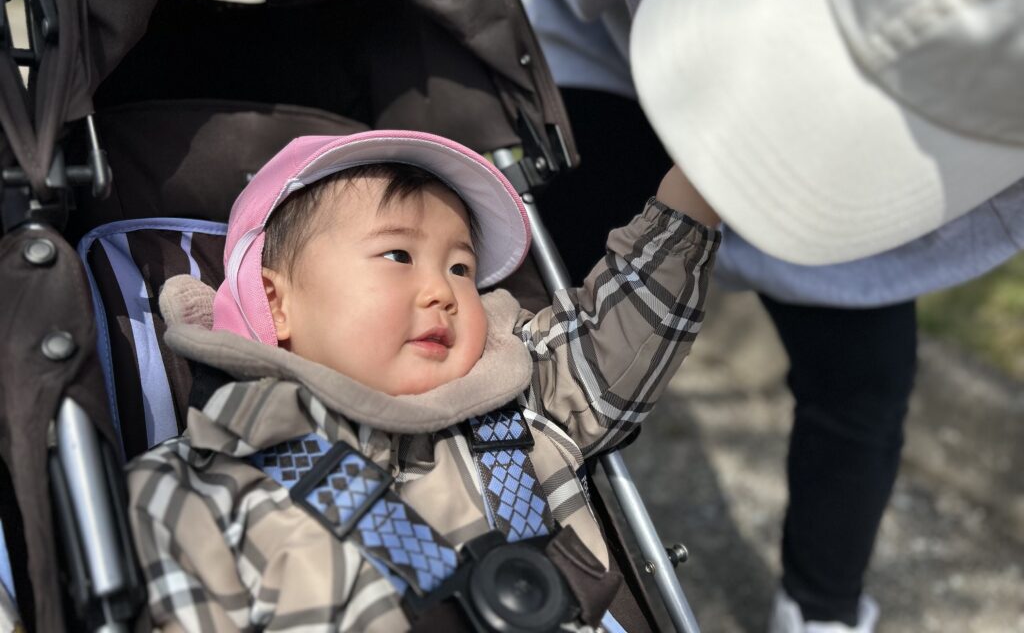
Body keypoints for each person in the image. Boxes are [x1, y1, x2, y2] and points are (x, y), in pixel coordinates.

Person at [477, 0, 1023, 631]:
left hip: (879, 136)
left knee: (862, 382)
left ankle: (822, 607)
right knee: (533, 299)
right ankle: (480, 487)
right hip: (627, 38)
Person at [125, 130, 720, 632]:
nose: (443, 291)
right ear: (275, 303)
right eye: (398, 256)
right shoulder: (205, 484)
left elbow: (626, 323)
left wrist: (704, 181)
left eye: (461, 267)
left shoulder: (520, 395)